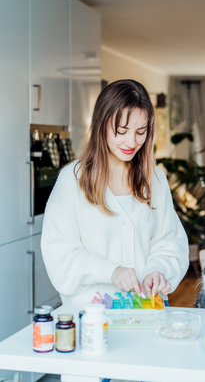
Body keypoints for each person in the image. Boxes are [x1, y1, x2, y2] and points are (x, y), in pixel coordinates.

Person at [41, 79, 189, 308]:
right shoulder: (72, 180)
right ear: (101, 125)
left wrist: (157, 271)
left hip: (147, 310)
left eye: (141, 132)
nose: (131, 142)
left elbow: (169, 241)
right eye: (121, 131)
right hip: (91, 316)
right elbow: (60, 253)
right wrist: (111, 272)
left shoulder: (155, 179)